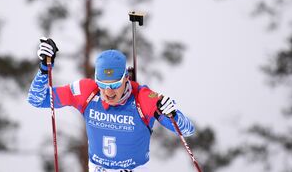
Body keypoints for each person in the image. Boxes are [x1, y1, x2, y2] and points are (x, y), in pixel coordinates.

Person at [28, 37, 196, 172]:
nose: (109, 92)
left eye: (115, 84)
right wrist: (44, 69)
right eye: (102, 84)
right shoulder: (87, 92)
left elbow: (187, 130)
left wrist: (173, 114)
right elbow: (37, 99)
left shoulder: (143, 98)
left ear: (126, 77)